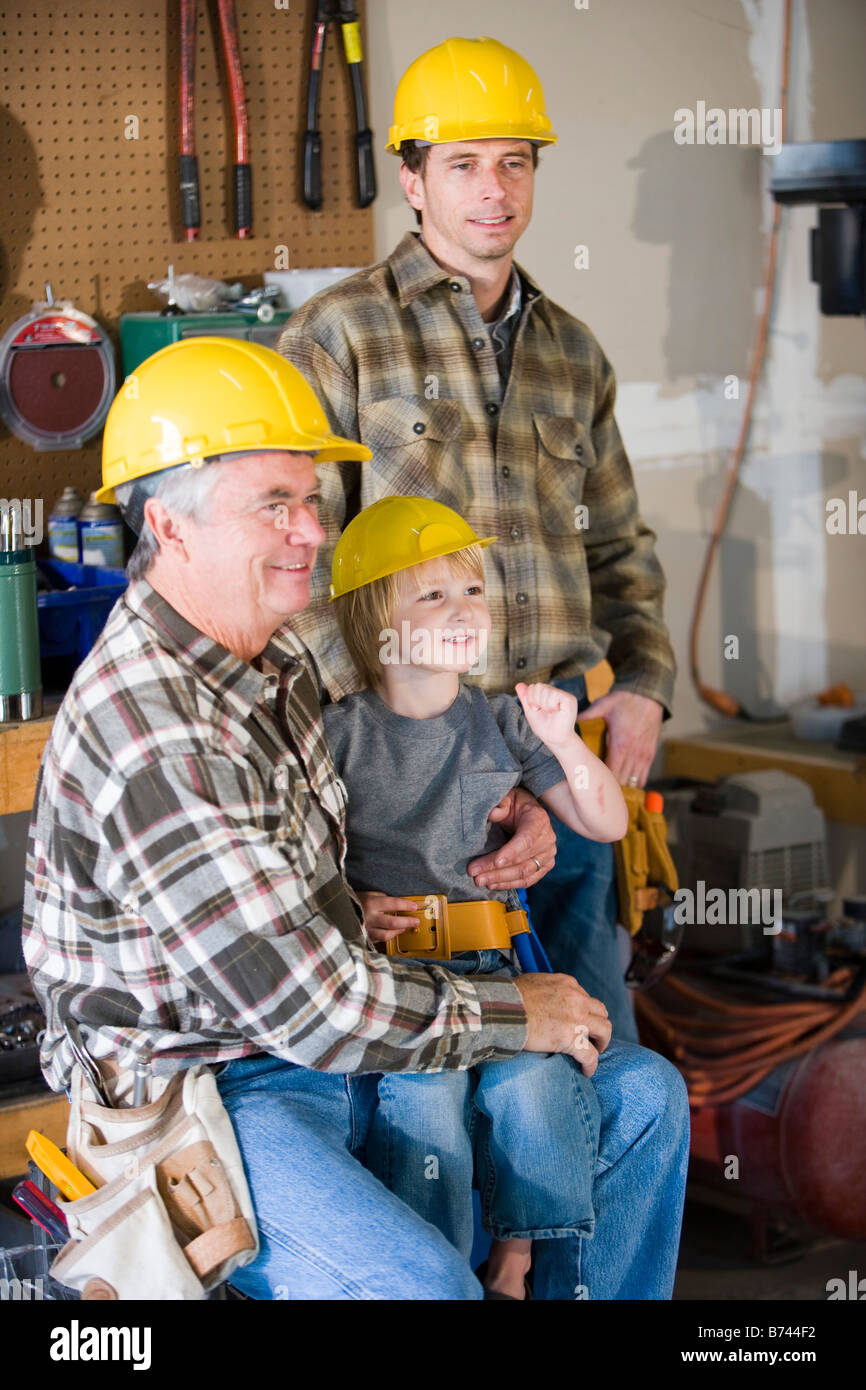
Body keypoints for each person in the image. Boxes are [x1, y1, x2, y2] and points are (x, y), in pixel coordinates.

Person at [23, 337, 688, 1300]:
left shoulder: (272, 662)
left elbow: (368, 814)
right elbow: (314, 1008)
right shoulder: (156, 732)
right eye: (273, 507)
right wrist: (514, 1013)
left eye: (310, 501)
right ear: (169, 526)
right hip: (215, 1090)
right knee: (423, 1284)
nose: (309, 532)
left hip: (347, 1031)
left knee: (645, 1102)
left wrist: (505, 814)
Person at [278, 36, 678, 1044]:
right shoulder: (337, 337)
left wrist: (643, 680)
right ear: (410, 179)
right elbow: (303, 573)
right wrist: (449, 770)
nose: (492, 190)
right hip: (408, 783)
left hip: (555, 743)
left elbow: (618, 542)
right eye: (461, 164)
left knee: (596, 1061)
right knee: (446, 1094)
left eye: (514, 161)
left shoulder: (571, 351)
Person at [322, 495, 629, 1298]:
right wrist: (349, 904)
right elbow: (300, 862)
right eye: (432, 595)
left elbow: (606, 818)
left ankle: (516, 1266)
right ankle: (437, 1274)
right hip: (401, 979)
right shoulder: (335, 734)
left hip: (499, 965)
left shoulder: (505, 721)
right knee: (424, 1105)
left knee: (537, 1085)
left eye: (473, 591)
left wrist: (563, 742)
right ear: (372, 619)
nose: (464, 611)